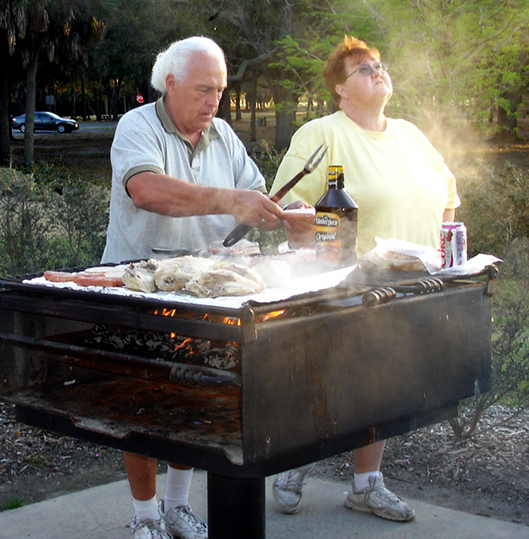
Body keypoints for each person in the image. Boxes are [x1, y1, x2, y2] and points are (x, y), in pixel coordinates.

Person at [100, 36, 300, 539]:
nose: (215, 101)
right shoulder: (137, 126)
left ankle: (177, 508)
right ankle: (145, 517)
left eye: (220, 91)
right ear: (171, 84)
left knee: (197, 398)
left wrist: (292, 217)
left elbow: (253, 196)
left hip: (206, 292)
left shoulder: (224, 135)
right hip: (141, 288)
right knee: (144, 403)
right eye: (204, 89)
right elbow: (146, 190)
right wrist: (230, 200)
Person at [269, 35, 460, 522]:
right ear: (340, 89)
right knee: (332, 378)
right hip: (347, 283)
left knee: (384, 383)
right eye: (363, 69)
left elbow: (449, 196)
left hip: (411, 285)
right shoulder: (323, 133)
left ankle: (365, 484)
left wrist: (448, 250)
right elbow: (287, 204)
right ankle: (298, 458)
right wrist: (320, 228)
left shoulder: (411, 135)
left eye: (379, 64)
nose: (377, 71)